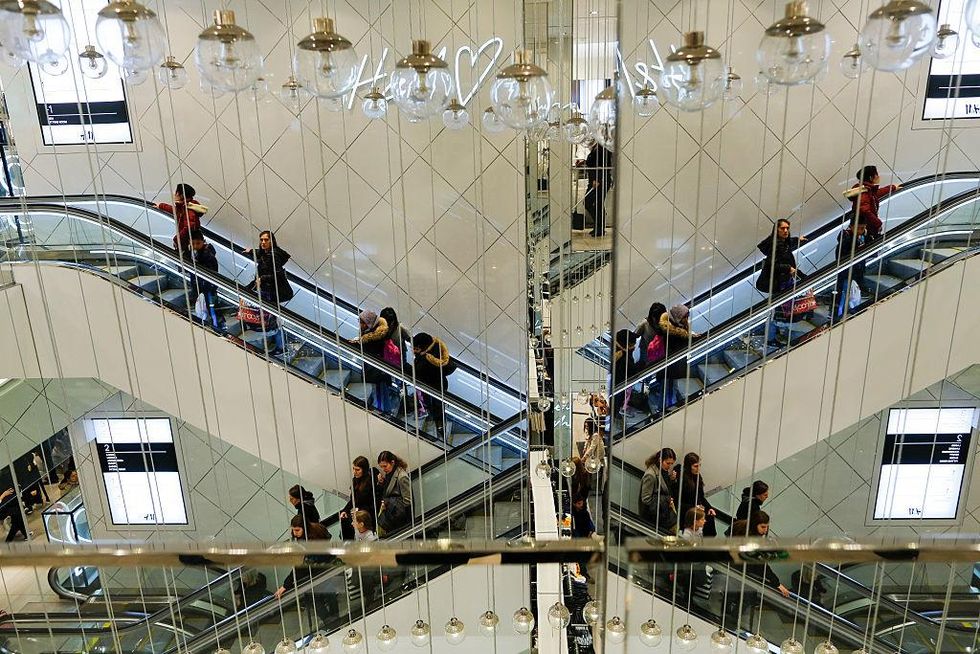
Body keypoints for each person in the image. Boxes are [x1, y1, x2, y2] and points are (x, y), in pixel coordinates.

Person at [273, 516, 334, 633]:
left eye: (297, 530)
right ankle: (335, 620)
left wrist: (286, 586)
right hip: (327, 567)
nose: (294, 533)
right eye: (293, 530)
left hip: (317, 572)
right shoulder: (317, 529)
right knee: (329, 595)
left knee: (314, 600)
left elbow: (300, 567)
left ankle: (331, 622)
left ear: (304, 528)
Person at [730, 512, 791, 598]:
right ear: (754, 525)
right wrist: (777, 583)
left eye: (767, 526)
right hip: (740, 572)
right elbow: (761, 565)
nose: (765, 530)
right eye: (763, 527)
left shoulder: (743, 528)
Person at [410, 333, 457, 442]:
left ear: (423, 347)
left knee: (435, 408)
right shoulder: (436, 350)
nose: (413, 351)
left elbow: (416, 373)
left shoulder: (426, 360)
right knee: (438, 408)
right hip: (441, 385)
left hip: (432, 387)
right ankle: (440, 429)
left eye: (416, 349)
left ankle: (440, 431)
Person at [844, 165, 900, 241]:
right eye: (877, 175)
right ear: (871, 178)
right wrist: (877, 223)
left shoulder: (867, 189)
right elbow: (864, 209)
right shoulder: (864, 192)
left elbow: (877, 193)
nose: (879, 176)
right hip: (866, 229)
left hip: (866, 228)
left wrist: (893, 187)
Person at [349, 310, 391, 411]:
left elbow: (368, 348)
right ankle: (383, 409)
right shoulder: (372, 333)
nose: (360, 325)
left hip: (377, 371)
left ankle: (382, 411)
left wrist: (357, 342)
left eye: (363, 322)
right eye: (359, 321)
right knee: (381, 391)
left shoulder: (375, 337)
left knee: (380, 391)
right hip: (376, 370)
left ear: (370, 323)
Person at [756, 219, 806, 295]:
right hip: (779, 282)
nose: (786, 231)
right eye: (782, 228)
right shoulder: (775, 246)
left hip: (784, 278)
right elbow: (772, 264)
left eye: (787, 228)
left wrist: (798, 239)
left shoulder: (783, 241)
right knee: (785, 300)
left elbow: (789, 242)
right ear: (776, 230)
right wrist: (788, 268)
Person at [672, 453, 717, 537]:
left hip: (696, 508)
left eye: (699, 465)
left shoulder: (697, 477)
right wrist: (695, 507)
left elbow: (701, 496)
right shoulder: (681, 478)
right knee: (706, 521)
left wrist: (709, 508)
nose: (698, 469)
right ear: (689, 466)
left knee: (709, 518)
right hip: (686, 510)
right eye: (696, 466)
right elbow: (677, 500)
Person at [246, 230, 295, 305]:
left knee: (265, 309)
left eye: (266, 240)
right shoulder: (266, 252)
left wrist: (262, 278)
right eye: (261, 240)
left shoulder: (273, 256)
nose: (263, 242)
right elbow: (259, 253)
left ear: (272, 241)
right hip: (268, 289)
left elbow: (278, 275)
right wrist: (250, 251)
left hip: (275, 291)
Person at [339, 456, 382, 541]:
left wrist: (357, 510)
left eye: (357, 470)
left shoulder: (370, 481)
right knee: (344, 518)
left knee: (351, 521)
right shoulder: (355, 481)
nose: (355, 472)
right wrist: (345, 510)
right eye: (354, 469)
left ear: (364, 470)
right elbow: (353, 500)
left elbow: (373, 502)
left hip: (367, 513)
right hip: (358, 510)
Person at [187, 230, 223, 330]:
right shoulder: (193, 253)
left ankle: (218, 327)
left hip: (207, 287)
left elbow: (212, 272)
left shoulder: (207, 255)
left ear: (203, 242)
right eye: (193, 243)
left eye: (198, 243)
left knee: (211, 308)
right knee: (207, 307)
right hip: (199, 286)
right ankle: (214, 325)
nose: (195, 246)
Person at [158, 183, 207, 253]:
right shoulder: (185, 206)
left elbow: (189, 227)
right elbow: (175, 210)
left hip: (187, 245)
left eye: (176, 192)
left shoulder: (188, 209)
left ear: (180, 194)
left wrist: (176, 239)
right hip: (186, 243)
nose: (175, 195)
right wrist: (161, 205)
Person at [834, 215, 868, 318]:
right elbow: (841, 257)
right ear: (853, 227)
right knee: (843, 297)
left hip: (856, 273)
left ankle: (846, 314)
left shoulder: (860, 237)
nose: (863, 230)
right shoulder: (847, 239)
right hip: (847, 274)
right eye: (860, 228)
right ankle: (838, 317)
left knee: (851, 296)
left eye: (864, 228)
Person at [638, 447, 678, 534]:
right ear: (660, 460)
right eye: (668, 463)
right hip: (654, 516)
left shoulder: (663, 470)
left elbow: (663, 487)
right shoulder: (650, 475)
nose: (670, 466)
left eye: (672, 463)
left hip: (663, 511)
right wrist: (667, 500)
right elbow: (646, 499)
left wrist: (671, 479)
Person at [376, 451, 412, 537]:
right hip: (391, 514)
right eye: (381, 467)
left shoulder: (402, 477)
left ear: (392, 462)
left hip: (399, 518)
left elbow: (407, 501)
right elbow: (389, 490)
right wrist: (381, 482)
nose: (383, 469)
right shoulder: (390, 473)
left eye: (385, 466)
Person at [584, 141, 613, 237]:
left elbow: (604, 166)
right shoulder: (595, 148)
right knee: (592, 203)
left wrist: (597, 179)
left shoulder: (603, 149)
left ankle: (600, 228)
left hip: (600, 181)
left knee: (594, 203)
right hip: (594, 180)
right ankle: (598, 226)